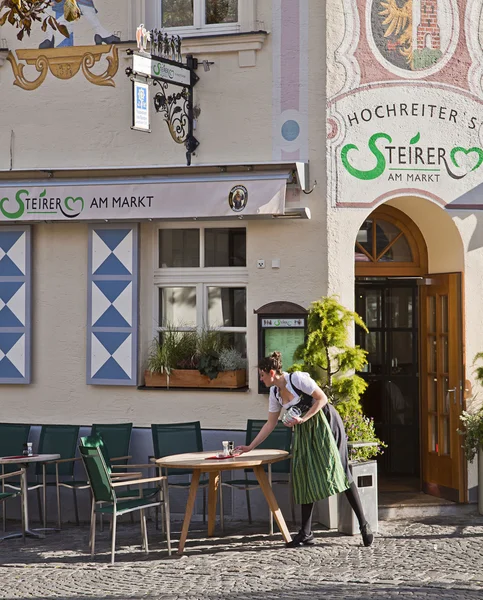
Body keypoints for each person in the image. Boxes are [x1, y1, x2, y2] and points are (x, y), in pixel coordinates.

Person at [236, 351, 374, 548]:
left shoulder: (297, 379)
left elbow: (322, 399)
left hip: (325, 423)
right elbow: (270, 424)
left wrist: (303, 418)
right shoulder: (275, 394)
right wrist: (250, 447)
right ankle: (306, 532)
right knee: (304, 474)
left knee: (341, 471)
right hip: (304, 430)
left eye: (262, 375)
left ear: (272, 372)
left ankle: (364, 525)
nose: (260, 378)